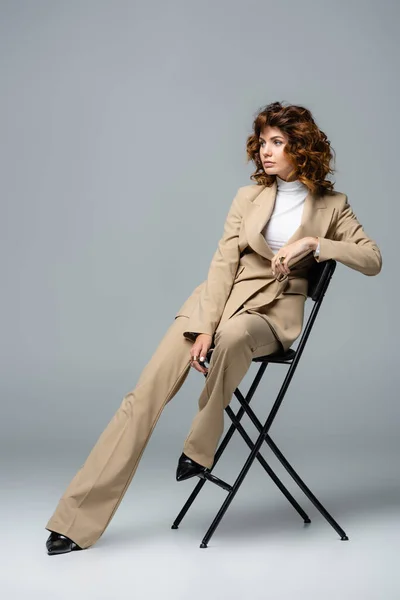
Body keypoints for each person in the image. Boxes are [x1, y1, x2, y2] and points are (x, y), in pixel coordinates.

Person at [45, 101, 382, 555]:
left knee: (236, 336)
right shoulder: (248, 198)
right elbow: (223, 263)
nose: (266, 151)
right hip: (215, 304)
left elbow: (372, 259)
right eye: (262, 142)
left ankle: (200, 445)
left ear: (301, 148)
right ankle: (75, 520)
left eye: (277, 143)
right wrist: (203, 325)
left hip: (268, 316)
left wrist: (315, 244)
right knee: (141, 398)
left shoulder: (333, 206)